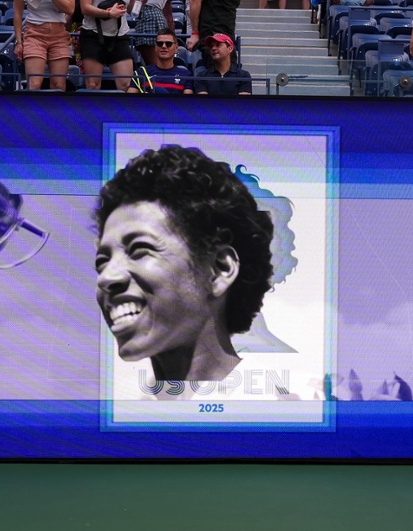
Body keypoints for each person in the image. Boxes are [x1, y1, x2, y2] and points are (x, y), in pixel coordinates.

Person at [94, 145, 274, 382]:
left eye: (139, 250)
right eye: (102, 262)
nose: (106, 277)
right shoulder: (121, 406)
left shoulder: (297, 400)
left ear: (220, 270)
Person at [13, 0, 75, 91]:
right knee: (34, 84)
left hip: (59, 34)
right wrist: (18, 42)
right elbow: (17, 14)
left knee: (59, 85)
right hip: (34, 34)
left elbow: (70, 9)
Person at [79, 0, 135, 91]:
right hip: (93, 35)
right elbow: (85, 8)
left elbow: (131, 11)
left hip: (119, 35)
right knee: (93, 84)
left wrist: (140, 2)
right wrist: (108, 14)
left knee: (126, 84)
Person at [128, 28, 194, 93]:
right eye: (160, 43)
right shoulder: (141, 73)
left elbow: (187, 99)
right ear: (155, 48)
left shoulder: (186, 75)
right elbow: (130, 98)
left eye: (168, 44)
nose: (164, 46)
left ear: (176, 48)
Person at [132, 0, 170, 67]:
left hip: (154, 16)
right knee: (155, 65)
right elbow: (133, 11)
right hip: (148, 16)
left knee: (158, 66)